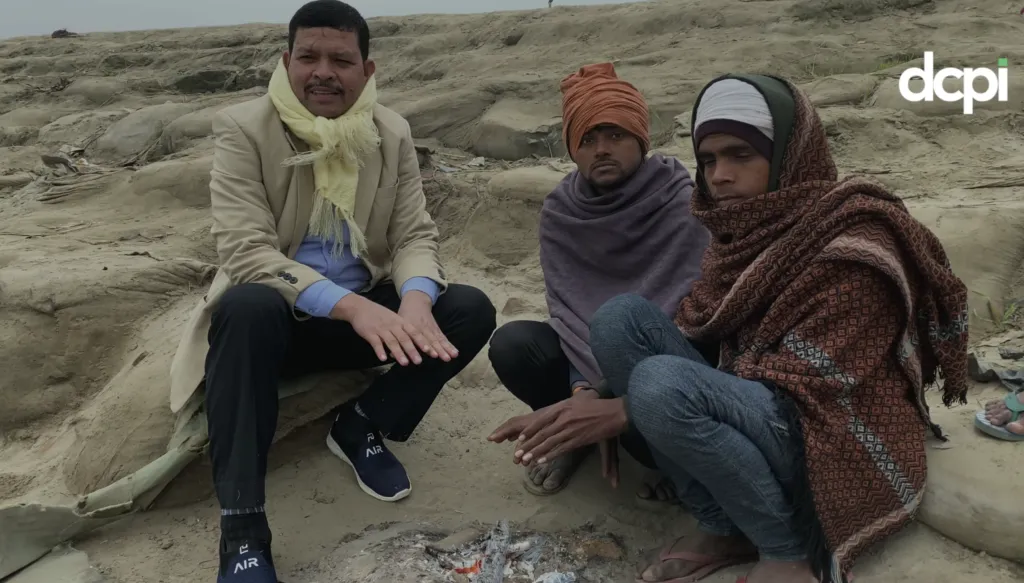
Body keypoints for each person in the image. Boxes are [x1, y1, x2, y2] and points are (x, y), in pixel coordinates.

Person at [488, 73, 970, 583]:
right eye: (710, 160)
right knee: (618, 319)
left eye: (741, 155)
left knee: (659, 388)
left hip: (834, 428)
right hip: (752, 401)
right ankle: (721, 525)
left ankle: (788, 553)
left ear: (789, 152)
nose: (719, 176)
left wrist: (623, 409)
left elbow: (808, 388)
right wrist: (588, 397)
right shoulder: (739, 229)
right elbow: (696, 327)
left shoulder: (854, 243)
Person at [168, 2, 496, 581]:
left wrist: (414, 304)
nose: (324, 72)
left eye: (341, 60)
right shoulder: (245, 128)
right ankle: (243, 530)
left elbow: (415, 234)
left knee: (468, 309)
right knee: (245, 307)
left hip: (359, 319)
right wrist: (355, 308)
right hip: (280, 320)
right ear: (285, 61)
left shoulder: (389, 132)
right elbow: (248, 253)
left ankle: (360, 424)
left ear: (367, 71)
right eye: (309, 57)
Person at [487, 62, 709, 499]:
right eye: (587, 140)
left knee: (641, 434)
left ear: (641, 140)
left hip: (665, 360)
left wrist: (604, 397)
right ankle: (579, 434)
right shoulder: (561, 212)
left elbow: (691, 320)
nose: (601, 149)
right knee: (513, 345)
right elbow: (570, 315)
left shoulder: (682, 201)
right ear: (572, 149)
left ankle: (641, 442)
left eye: (615, 135)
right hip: (587, 368)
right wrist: (582, 390)